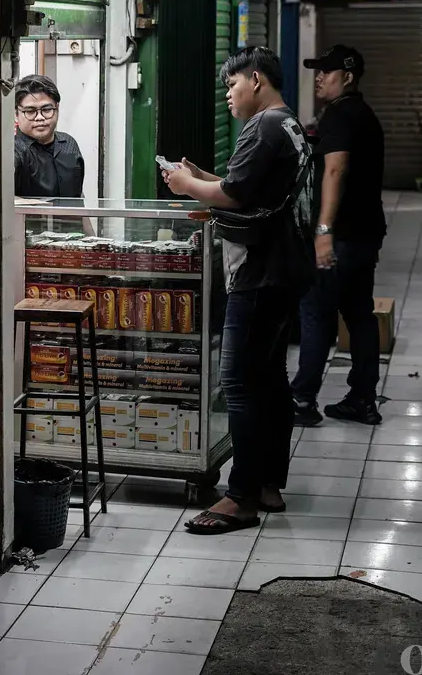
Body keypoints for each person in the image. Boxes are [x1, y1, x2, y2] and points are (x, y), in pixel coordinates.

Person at [163, 47, 314, 535]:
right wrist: (203, 179)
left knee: (239, 382)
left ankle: (241, 496)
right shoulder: (288, 125)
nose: (227, 95)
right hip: (284, 267)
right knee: (268, 380)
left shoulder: (265, 127)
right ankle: (269, 483)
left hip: (261, 272)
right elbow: (246, 190)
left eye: (231, 86)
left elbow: (232, 196)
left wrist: (190, 186)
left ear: (255, 79)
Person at [291, 45, 387, 427]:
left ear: (347, 77)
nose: (319, 77)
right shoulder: (362, 114)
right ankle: (362, 398)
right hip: (365, 235)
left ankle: (301, 399)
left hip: (343, 235)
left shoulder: (340, 115)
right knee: (359, 314)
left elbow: (336, 170)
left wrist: (324, 231)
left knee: (315, 311)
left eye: (327, 72)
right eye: (317, 71)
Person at [13, 75, 85, 199]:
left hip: (70, 218)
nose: (40, 117)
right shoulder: (13, 151)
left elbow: (78, 196)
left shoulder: (69, 144)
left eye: (46, 109)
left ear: (57, 109)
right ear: (16, 114)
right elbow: (5, 202)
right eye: (30, 111)